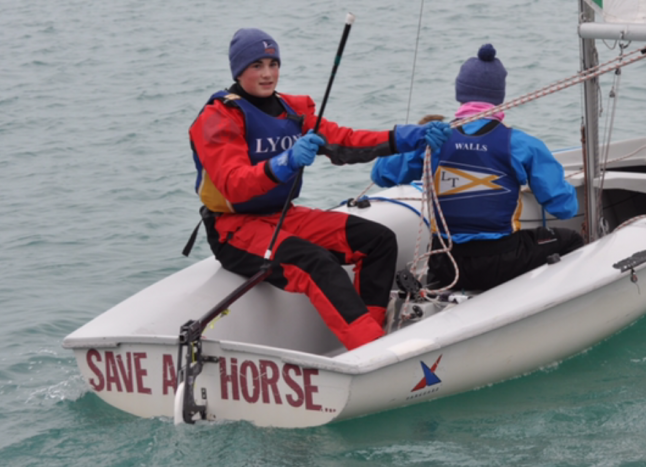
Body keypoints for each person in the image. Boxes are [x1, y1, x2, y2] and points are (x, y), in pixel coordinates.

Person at [189, 28, 451, 350]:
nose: (268, 73)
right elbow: (234, 185)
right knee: (316, 263)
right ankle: (371, 348)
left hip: (283, 216)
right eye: (257, 65)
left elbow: (347, 143)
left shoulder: (292, 112)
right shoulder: (218, 117)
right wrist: (285, 162)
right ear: (239, 71)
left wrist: (408, 137)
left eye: (273, 63)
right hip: (233, 229)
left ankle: (369, 332)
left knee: (379, 240)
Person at [371, 43, 584, 291]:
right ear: (499, 96)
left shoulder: (434, 140)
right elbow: (565, 208)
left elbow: (380, 174)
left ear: (460, 93)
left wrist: (415, 136)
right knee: (571, 240)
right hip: (503, 261)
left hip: (447, 264)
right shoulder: (521, 144)